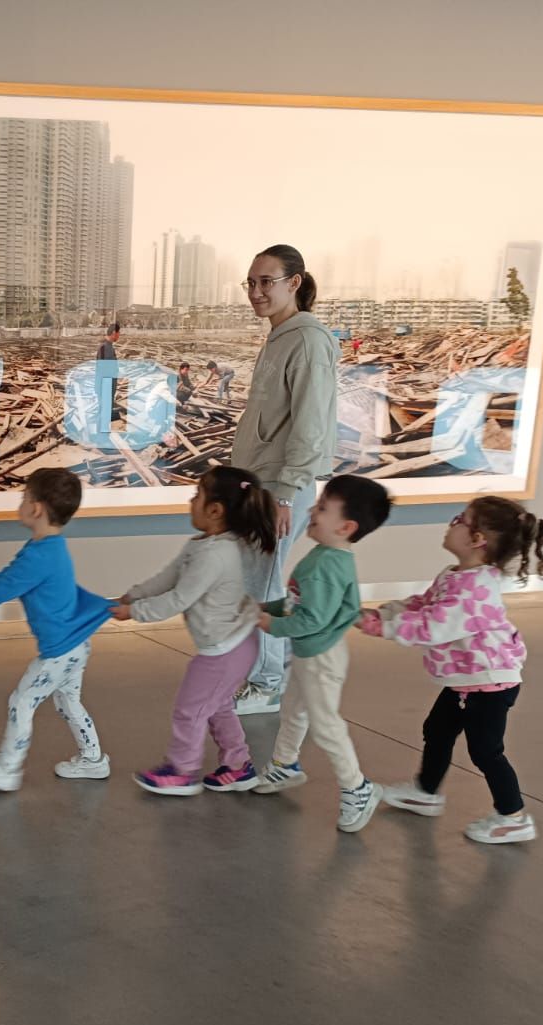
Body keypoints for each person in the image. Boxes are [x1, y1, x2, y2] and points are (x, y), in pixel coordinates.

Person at [360, 497, 543, 845]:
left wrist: (382, 628)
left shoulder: (477, 589)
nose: (452, 524)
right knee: (437, 730)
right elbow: (424, 604)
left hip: (489, 682)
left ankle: (513, 816)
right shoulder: (458, 575)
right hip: (467, 679)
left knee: (485, 751)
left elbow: (433, 626)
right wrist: (382, 614)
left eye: (460, 519)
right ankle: (426, 791)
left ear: (477, 539)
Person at [110, 466, 276, 796]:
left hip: (226, 649)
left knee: (190, 710)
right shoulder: (201, 545)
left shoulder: (217, 554)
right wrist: (134, 594)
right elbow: (167, 578)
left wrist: (135, 612)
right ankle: (238, 766)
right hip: (234, 643)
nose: (191, 501)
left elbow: (178, 598)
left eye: (196, 495)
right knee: (217, 706)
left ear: (215, 510)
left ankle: (182, 771)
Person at [0, 467, 110, 793]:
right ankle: (93, 759)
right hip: (75, 645)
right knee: (67, 703)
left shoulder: (40, 555)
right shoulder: (47, 548)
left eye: (24, 497)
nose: (20, 503)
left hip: (59, 651)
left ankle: (7, 768)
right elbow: (7, 577)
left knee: (22, 701)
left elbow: (5, 586)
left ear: (36, 508)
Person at [230, 244, 340, 715]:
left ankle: (269, 682)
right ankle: (264, 674)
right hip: (262, 482)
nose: (256, 292)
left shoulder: (309, 339)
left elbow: (310, 424)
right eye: (251, 283)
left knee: (267, 585)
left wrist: (289, 493)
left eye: (266, 281)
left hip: (281, 486)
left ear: (294, 283)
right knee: (257, 580)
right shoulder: (280, 336)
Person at [251, 475, 391, 833]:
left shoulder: (327, 566)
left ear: (345, 527)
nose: (312, 510)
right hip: (311, 654)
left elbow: (313, 618)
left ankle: (357, 787)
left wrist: (272, 625)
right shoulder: (326, 556)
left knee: (326, 725)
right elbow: (300, 602)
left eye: (323, 507)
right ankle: (285, 763)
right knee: (294, 709)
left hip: (320, 658)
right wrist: (267, 607)